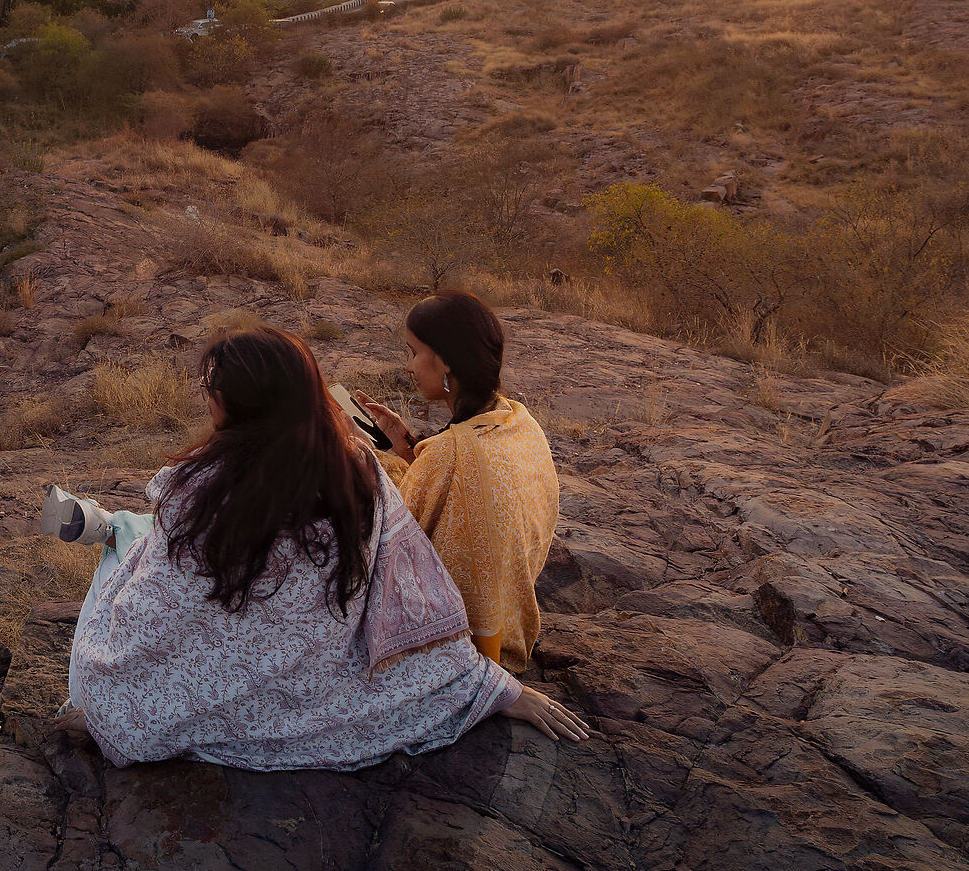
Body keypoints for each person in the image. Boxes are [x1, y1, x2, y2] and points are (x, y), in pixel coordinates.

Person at [68, 327, 586, 770]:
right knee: (137, 542)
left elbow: (148, 620)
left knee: (123, 562)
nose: (206, 396)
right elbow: (413, 594)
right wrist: (490, 686)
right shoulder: (360, 474)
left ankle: (109, 528)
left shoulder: (197, 493)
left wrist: (102, 681)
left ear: (237, 403)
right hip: (315, 685)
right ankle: (114, 528)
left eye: (210, 387)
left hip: (205, 691)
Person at [357, 292, 560, 674]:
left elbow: (386, 541)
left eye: (413, 352)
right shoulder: (517, 420)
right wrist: (407, 448)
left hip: (459, 649)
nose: (410, 366)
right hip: (510, 625)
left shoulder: (448, 455)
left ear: (445, 361)